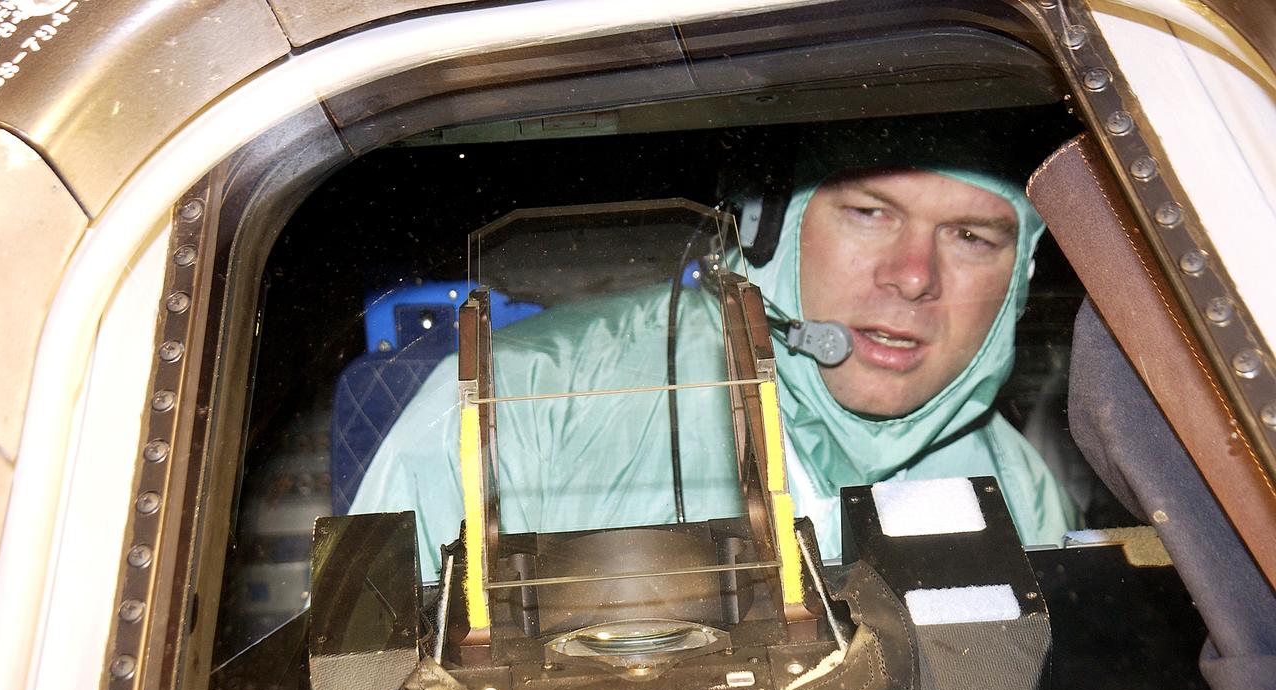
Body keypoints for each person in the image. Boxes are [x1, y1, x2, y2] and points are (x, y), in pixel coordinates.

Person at [350, 134, 1081, 580]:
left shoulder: (1013, 485)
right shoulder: (512, 406)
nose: (914, 275)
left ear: (1018, 280)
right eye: (870, 214)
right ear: (769, 229)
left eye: (972, 238)